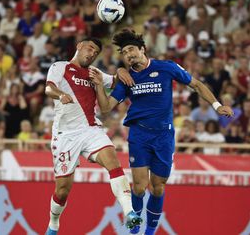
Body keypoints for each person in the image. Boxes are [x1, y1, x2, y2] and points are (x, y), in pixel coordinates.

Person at [89, 29, 234, 235]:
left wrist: (217, 106)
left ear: (143, 49)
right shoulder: (126, 78)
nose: (128, 54)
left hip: (164, 136)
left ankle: (150, 231)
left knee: (157, 187)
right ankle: (133, 229)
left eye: (131, 49)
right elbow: (106, 108)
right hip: (139, 134)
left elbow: (196, 84)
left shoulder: (166, 68)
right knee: (139, 187)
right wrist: (98, 87)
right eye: (124, 52)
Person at [44, 37, 142, 235]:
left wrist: (121, 71)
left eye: (95, 52)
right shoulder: (60, 66)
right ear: (79, 46)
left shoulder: (93, 73)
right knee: (62, 189)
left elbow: (115, 80)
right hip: (65, 135)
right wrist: (59, 95)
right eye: (89, 48)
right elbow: (48, 88)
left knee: (113, 161)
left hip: (90, 129)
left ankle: (130, 212)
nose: (91, 54)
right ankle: (54, 223)